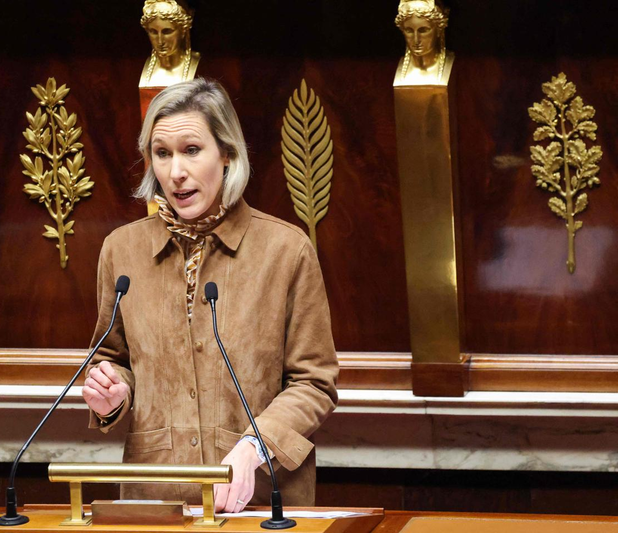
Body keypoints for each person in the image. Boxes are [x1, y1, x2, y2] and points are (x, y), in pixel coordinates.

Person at [81, 78, 338, 513]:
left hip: (260, 501)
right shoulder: (121, 251)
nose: (175, 172)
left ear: (227, 153)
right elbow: (113, 359)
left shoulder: (286, 250)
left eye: (191, 150)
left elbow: (314, 383)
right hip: (156, 501)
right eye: (162, 153)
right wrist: (111, 394)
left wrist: (254, 448)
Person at [139, 0, 201, 87]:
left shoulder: (197, 63)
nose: (160, 41)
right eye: (153, 32)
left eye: (167, 32)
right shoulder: (142, 67)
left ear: (183, 30)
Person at [394, 0, 453, 85]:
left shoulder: (454, 64)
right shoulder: (394, 68)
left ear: (439, 30)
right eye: (409, 31)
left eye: (423, 30)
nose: (416, 40)